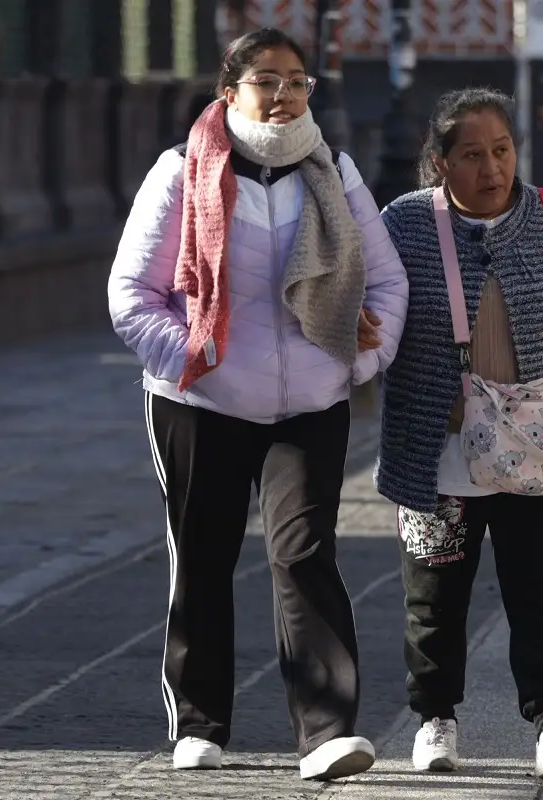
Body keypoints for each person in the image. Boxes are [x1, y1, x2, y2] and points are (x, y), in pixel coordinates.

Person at [108, 27, 408, 780]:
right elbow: (131, 295)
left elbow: (389, 283)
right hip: (198, 401)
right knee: (202, 556)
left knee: (305, 555)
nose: (284, 95)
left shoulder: (333, 172)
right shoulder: (181, 171)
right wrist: (194, 362)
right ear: (229, 90)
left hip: (309, 401)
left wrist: (357, 361)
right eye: (266, 79)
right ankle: (200, 723)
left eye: (298, 80)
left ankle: (328, 732)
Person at [377, 87, 543, 781]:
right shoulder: (405, 226)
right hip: (438, 447)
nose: (492, 168)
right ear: (440, 162)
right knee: (434, 593)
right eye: (473, 155)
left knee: (539, 588)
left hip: (540, 449)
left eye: (503, 151)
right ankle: (435, 721)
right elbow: (376, 313)